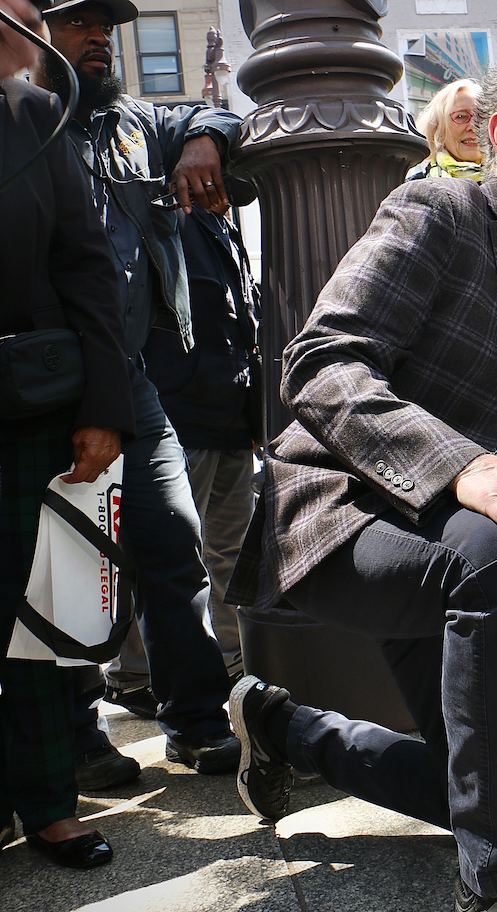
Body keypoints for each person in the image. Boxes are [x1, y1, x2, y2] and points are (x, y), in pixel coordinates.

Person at [225, 32, 497, 912]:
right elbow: (320, 362)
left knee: (476, 789)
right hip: (347, 520)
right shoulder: (441, 214)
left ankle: (282, 726)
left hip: (465, 549)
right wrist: (468, 469)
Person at [34, 0, 242, 780]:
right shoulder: (25, 123)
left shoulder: (135, 126)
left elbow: (213, 114)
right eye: (78, 21)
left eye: (105, 23)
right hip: (50, 379)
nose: (98, 36)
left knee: (173, 546)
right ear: (34, 30)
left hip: (133, 379)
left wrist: (201, 141)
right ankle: (78, 738)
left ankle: (192, 720)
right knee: (66, 566)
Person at [1, 73, 135, 867]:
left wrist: (104, 406)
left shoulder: (32, 112)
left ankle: (51, 805)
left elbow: (87, 266)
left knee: (37, 618)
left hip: (30, 407)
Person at [142, 199, 261, 683]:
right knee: (176, 558)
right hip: (183, 417)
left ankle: (235, 662)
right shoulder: (169, 214)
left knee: (230, 553)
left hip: (229, 417)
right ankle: (138, 675)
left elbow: (241, 318)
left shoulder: (222, 224)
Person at [407, 78, 484, 182]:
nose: (473, 126)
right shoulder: (414, 189)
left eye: (481, 116)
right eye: (461, 116)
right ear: (438, 128)